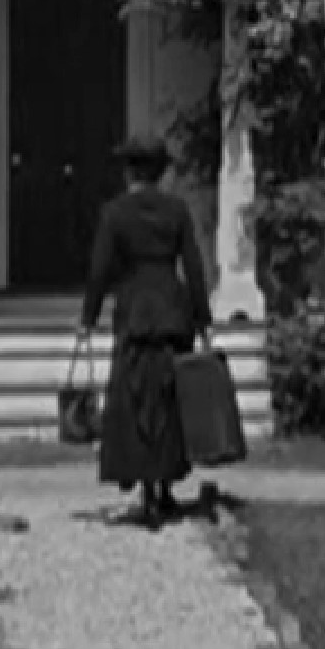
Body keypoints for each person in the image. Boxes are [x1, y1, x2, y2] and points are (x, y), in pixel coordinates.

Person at [78, 133, 214, 527]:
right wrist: (203, 319)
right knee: (169, 396)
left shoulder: (115, 213)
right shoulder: (176, 210)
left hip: (135, 310)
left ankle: (145, 486)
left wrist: (88, 317)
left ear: (129, 172)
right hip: (172, 308)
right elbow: (193, 266)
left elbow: (100, 269)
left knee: (134, 396)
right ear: (161, 172)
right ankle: (166, 484)